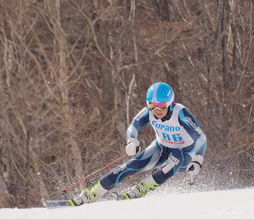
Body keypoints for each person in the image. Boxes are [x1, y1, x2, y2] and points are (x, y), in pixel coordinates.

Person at [68, 82, 207, 205]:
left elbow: (201, 137)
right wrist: (132, 140)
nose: (157, 111)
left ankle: (141, 189)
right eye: (152, 106)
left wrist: (197, 160)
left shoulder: (181, 113)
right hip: (162, 148)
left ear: (170, 103)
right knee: (131, 165)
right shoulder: (149, 112)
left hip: (184, 155)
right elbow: (133, 127)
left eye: (161, 106)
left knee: (176, 156)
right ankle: (94, 192)